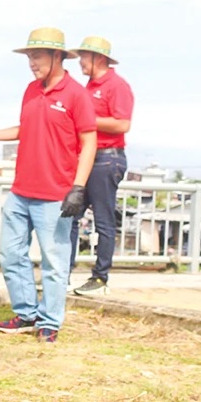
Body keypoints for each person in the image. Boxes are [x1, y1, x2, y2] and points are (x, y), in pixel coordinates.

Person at [0, 28, 97, 343]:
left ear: (57, 56)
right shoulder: (30, 90)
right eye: (29, 57)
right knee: (11, 254)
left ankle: (50, 321)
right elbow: (24, 128)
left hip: (56, 195)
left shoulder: (76, 94)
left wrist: (78, 187)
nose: (32, 63)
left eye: (37, 56)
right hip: (21, 191)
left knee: (54, 262)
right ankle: (26, 313)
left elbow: (89, 141)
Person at [67, 37, 134, 296]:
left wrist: (86, 119)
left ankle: (100, 277)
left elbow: (122, 124)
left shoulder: (116, 85)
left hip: (107, 158)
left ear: (99, 58)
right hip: (88, 157)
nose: (80, 62)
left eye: (84, 57)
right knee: (70, 216)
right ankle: (63, 272)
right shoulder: (89, 86)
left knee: (103, 221)